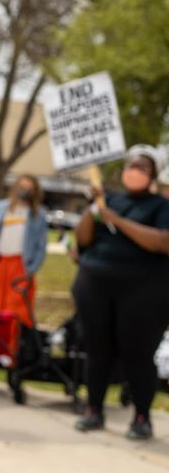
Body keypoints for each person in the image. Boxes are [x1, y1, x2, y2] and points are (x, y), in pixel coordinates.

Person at [71, 145, 169, 440]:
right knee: (97, 351)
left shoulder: (160, 206)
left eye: (142, 168)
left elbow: (162, 242)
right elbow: (83, 237)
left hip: (143, 291)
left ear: (152, 174)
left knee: (137, 354)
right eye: (131, 166)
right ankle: (94, 409)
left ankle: (141, 417)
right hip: (96, 284)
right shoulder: (107, 200)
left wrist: (117, 220)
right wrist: (94, 207)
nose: (134, 171)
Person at [0, 175, 48, 329]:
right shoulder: (0, 208)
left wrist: (31, 269)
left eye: (29, 188)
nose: (24, 191)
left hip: (20, 266)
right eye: (22, 187)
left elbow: (41, 247)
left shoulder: (38, 215)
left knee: (16, 310)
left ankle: (12, 348)